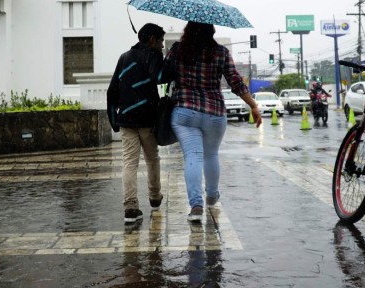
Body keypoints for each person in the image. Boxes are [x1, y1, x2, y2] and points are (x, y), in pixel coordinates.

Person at [160, 22, 262, 223]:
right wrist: (253, 106)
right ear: (211, 32)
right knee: (211, 155)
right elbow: (235, 82)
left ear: (187, 31)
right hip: (214, 112)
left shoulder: (178, 50)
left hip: (184, 111)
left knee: (193, 156)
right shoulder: (220, 52)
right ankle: (212, 196)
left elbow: (163, 75)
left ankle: (196, 206)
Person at [107, 23, 166, 224]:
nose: (162, 46)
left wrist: (114, 120)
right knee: (152, 159)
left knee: (129, 162)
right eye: (161, 41)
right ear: (151, 39)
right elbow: (159, 77)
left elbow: (111, 90)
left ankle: (130, 208)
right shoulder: (153, 55)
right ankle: (155, 197)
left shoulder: (124, 57)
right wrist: (169, 62)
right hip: (147, 119)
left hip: (126, 119)